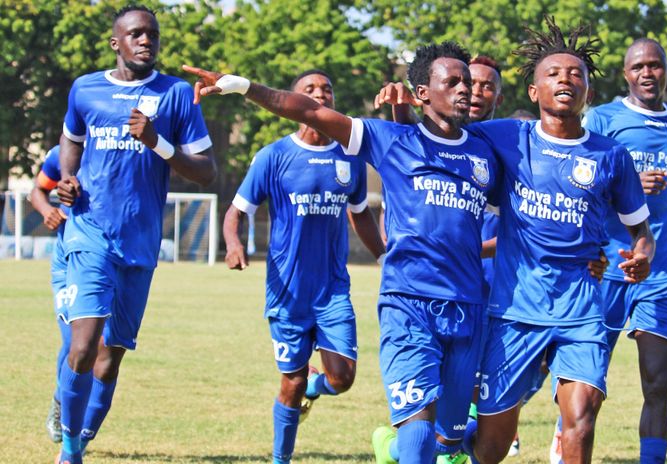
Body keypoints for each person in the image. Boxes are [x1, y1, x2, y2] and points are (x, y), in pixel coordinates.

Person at [183, 40, 499, 464]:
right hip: (409, 305)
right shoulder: (390, 139)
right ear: (423, 92)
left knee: (452, 440)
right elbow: (307, 111)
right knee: (420, 436)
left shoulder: (486, 152)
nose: (467, 89)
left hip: (468, 307)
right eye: (454, 81)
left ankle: (390, 447)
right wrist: (242, 86)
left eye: (470, 82)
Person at [457, 17, 655, 464]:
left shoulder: (611, 155)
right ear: (534, 92)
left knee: (581, 419)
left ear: (589, 92)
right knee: (492, 448)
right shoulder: (507, 137)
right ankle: (454, 443)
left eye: (576, 74)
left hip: (582, 308)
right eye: (553, 73)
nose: (566, 79)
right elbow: (442, 139)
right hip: (514, 311)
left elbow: (641, 232)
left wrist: (641, 256)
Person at [55, 5, 216, 463]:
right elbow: (71, 136)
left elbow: (207, 172)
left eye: (153, 35)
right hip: (90, 232)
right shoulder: (85, 89)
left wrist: (158, 143)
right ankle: (69, 450)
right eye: (136, 34)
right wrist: (68, 178)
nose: (146, 41)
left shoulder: (177, 95)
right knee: (84, 346)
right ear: (116, 43)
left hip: (141, 242)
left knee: (111, 356)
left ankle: (81, 436)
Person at [222, 69, 384, 463]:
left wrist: (383, 255)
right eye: (309, 90)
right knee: (290, 382)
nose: (320, 94)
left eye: (326, 89)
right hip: (288, 293)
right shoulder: (273, 156)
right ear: (292, 103)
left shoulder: (350, 157)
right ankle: (281, 459)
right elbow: (236, 211)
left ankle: (319, 387)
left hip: (332, 290)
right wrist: (232, 243)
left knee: (342, 378)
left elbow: (359, 213)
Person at [583, 38, 667, 464]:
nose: (647, 73)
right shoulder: (602, 119)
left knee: (658, 383)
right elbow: (577, 181)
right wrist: (630, 179)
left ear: (666, 70)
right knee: (586, 387)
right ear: (626, 74)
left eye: (655, 66)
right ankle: (566, 445)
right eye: (638, 67)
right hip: (605, 268)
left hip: (660, 271)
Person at [28, 145, 72, 444]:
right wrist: (48, 211)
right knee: (74, 339)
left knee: (105, 345)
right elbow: (37, 191)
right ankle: (61, 407)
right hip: (68, 259)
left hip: (114, 258)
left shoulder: (126, 148)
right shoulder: (62, 154)